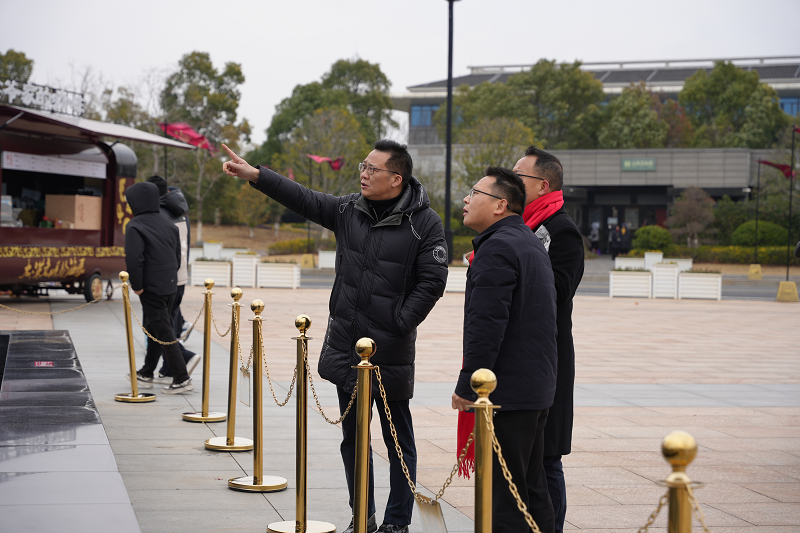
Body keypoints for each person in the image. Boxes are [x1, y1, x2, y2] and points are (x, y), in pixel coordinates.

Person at [221, 140, 448, 533]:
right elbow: (304, 199)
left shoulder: (424, 223)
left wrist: (398, 322)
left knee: (399, 442)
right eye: (363, 165)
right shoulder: (348, 209)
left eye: (372, 168)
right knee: (353, 440)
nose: (363, 172)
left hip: (389, 351)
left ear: (396, 178)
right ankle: (363, 517)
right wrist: (256, 175)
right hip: (347, 347)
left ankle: (397, 524)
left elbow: (432, 282)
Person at [452, 166, 557, 533]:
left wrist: (468, 386)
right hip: (534, 388)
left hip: (507, 394)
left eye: (474, 193)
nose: (466, 199)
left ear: (500, 205)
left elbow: (486, 326)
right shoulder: (528, 242)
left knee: (508, 499)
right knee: (531, 490)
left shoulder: (498, 249)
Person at [513, 147, 585, 533]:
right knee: (522, 457)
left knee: (546, 457)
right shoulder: (517, 226)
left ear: (542, 185)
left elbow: (555, 293)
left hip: (548, 358)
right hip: (518, 357)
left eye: (518, 177)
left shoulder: (562, 231)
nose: (511, 183)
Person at [124, 181, 193, 394]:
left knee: (163, 332)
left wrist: (138, 287)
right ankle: (147, 372)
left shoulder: (135, 226)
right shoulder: (168, 225)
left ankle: (181, 378)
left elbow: (135, 259)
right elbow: (177, 257)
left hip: (150, 288)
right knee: (155, 328)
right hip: (170, 285)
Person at [145, 175, 200, 382]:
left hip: (163, 278)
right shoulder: (180, 210)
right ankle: (162, 368)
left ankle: (184, 358)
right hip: (180, 276)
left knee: (159, 325)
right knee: (165, 324)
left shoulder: (159, 213)